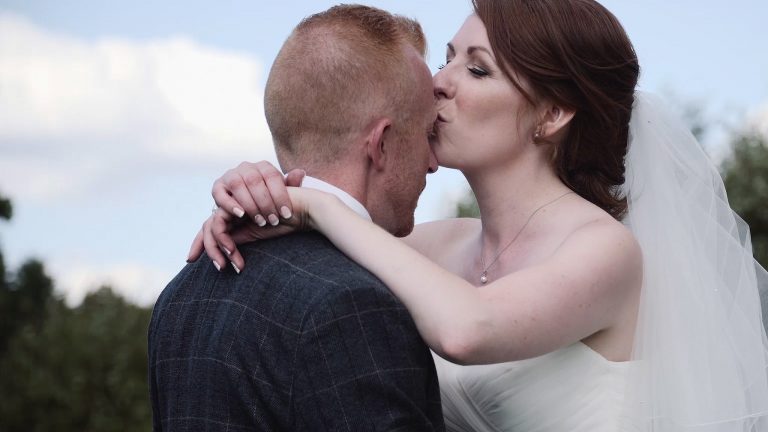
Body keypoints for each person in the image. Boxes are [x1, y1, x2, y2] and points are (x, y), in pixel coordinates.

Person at [190, 0, 768, 430]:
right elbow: (314, 266)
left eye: (477, 69)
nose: (437, 84)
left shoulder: (605, 250)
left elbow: (468, 329)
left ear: (553, 112)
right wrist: (254, 201)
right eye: (446, 59)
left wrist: (313, 202)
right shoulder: (432, 245)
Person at [149, 5, 446, 431]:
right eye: (425, 134)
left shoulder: (181, 296)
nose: (434, 162)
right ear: (380, 144)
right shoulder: (354, 305)